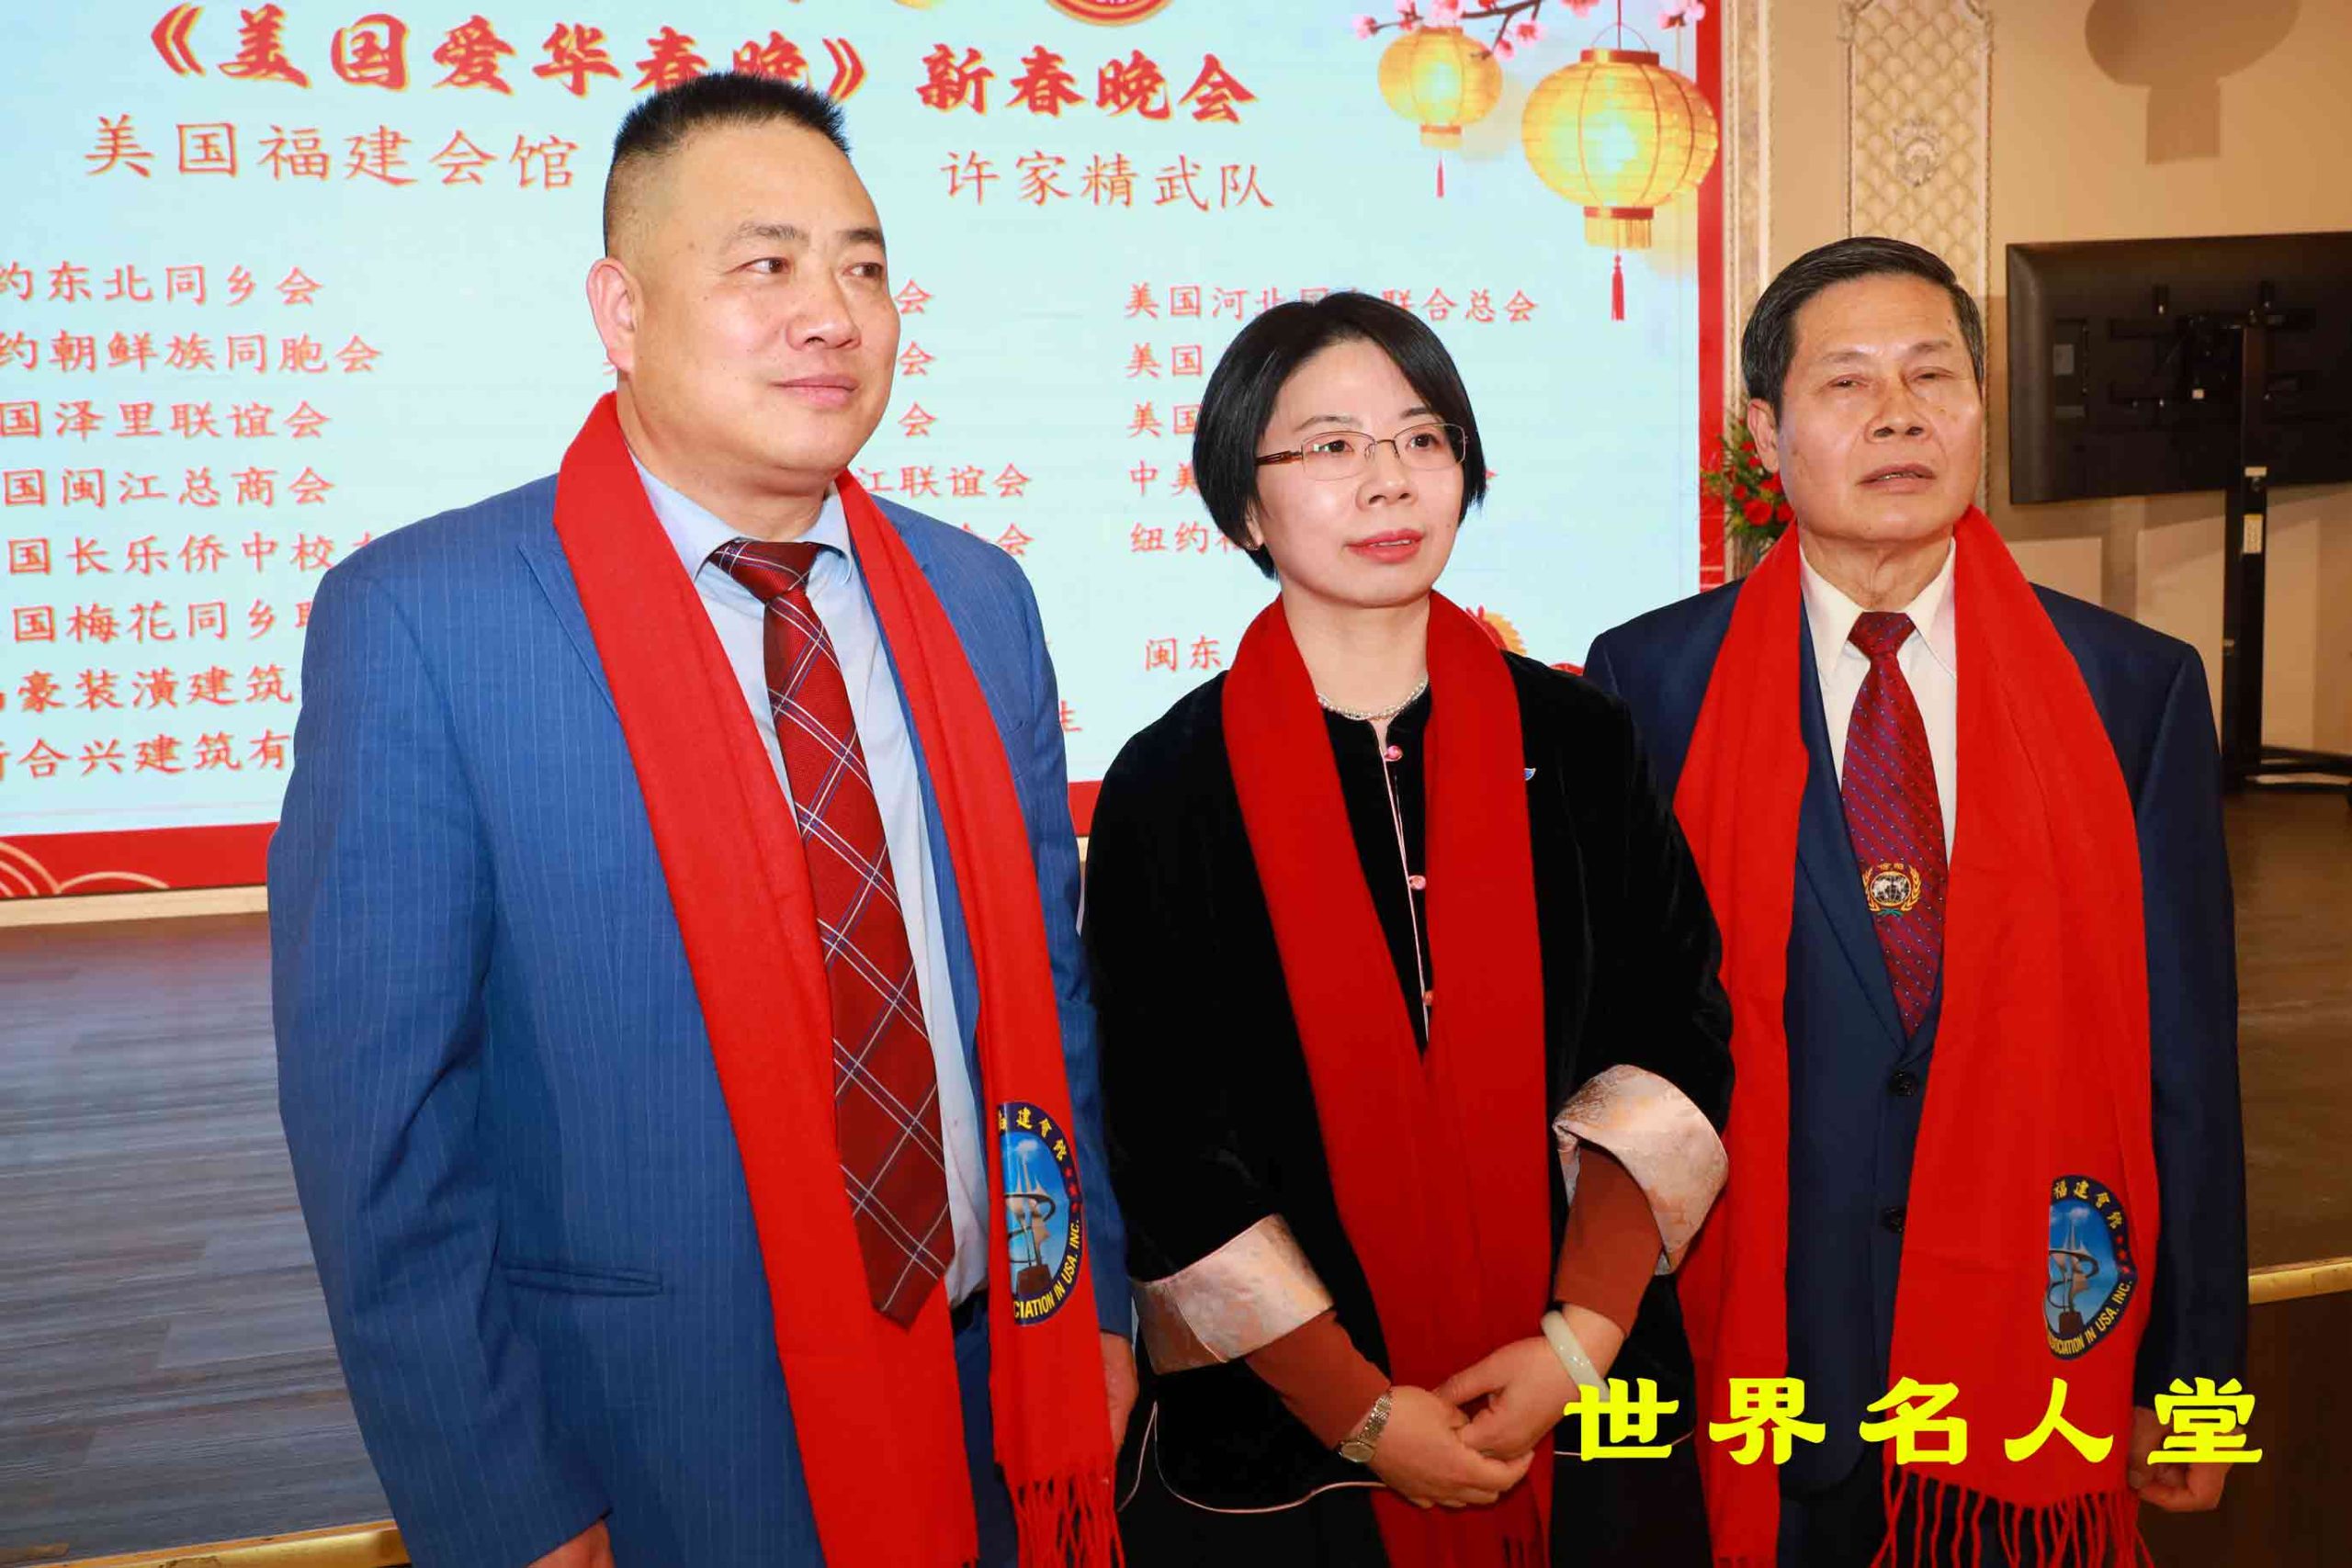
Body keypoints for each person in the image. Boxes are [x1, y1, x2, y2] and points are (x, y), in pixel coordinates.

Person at [271, 74, 1131, 1568]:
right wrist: (502, 1500)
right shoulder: (428, 621)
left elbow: (1046, 1000)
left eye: (863, 267)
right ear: (622, 310)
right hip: (656, 1432)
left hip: (1001, 1377)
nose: (832, 316)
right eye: (766, 265)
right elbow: (382, 1133)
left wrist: (1095, 1300)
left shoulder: (977, 601)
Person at [1584, 236, 2246, 1566]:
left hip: (2029, 1359)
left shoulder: (2132, 687)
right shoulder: (1650, 682)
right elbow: (1615, 1060)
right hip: (1755, 1361)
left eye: (1933, 375)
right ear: (1766, 430)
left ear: (1982, 407)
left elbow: (2184, 1063)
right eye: (1847, 382)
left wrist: (2196, 1389)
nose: (1899, 414)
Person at [1085, 291, 1736, 1567]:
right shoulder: (1168, 785)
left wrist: (1579, 1340)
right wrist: (1360, 1411)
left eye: (1423, 438)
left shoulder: (1580, 741)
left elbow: (1671, 1032)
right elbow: (1163, 1137)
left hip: (1580, 1389)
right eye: (1331, 446)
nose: (1388, 479)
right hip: (1294, 1436)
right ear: (1245, 505)